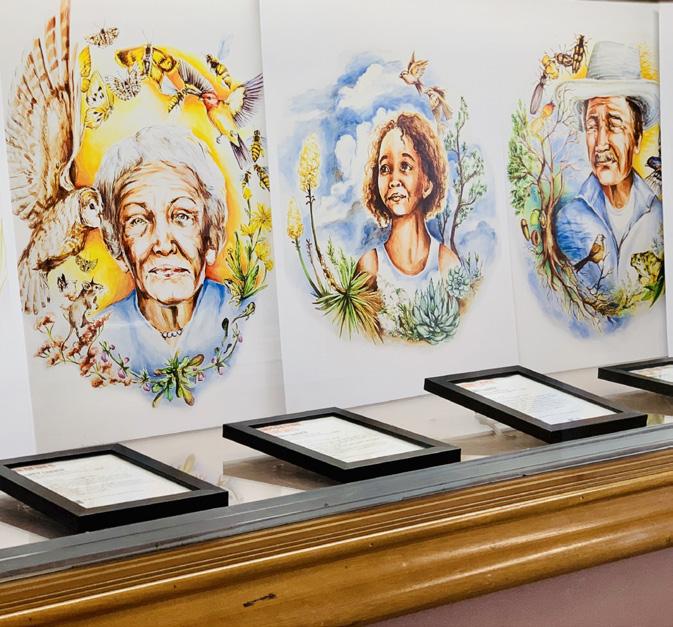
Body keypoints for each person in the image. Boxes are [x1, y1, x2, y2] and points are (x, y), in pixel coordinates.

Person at [95, 125, 234, 372]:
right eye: (138, 220)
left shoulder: (242, 315)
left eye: (182, 216)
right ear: (117, 246)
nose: (163, 244)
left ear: (212, 238)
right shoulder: (96, 339)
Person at [553, 41, 662, 293]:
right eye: (592, 126)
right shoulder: (567, 220)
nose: (601, 143)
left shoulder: (660, 217)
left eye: (614, 124)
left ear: (637, 137)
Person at [356, 112, 459, 289]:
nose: (394, 180)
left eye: (405, 166)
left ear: (427, 184)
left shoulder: (447, 264)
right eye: (385, 168)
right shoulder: (370, 267)